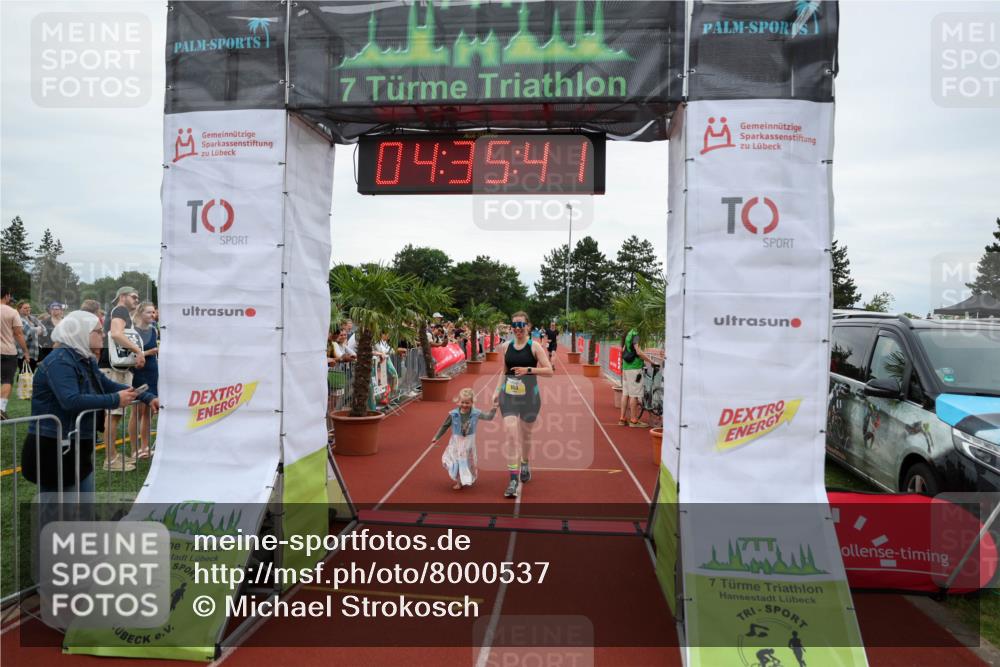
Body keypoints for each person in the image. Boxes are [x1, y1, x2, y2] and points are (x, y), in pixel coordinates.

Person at [20, 311, 159, 498]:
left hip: (76, 445)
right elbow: (71, 400)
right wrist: (115, 400)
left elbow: (106, 384)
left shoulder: (84, 358)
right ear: (82, 333)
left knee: (82, 509)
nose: (103, 335)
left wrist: (147, 397)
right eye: (98, 331)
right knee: (58, 514)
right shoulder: (59, 361)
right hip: (54, 448)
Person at [493, 311, 554, 498]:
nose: (517, 329)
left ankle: (525, 462)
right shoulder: (506, 346)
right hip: (509, 397)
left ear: (528, 326)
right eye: (514, 325)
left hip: (530, 398)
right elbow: (504, 370)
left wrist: (528, 370)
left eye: (521, 325)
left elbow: (549, 371)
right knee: (511, 434)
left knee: (526, 435)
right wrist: (497, 390)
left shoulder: (535, 346)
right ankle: (513, 478)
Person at [98, 286, 145, 470]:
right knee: (113, 414)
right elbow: (117, 334)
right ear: (123, 296)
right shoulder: (120, 310)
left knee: (114, 414)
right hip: (113, 368)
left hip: (115, 367)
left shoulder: (118, 311)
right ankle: (110, 460)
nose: (137, 300)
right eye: (134, 296)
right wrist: (137, 351)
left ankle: (113, 456)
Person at [432, 388, 497, 489]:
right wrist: (436, 437)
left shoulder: (476, 413)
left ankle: (465, 478)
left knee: (466, 461)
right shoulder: (453, 414)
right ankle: (459, 481)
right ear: (458, 401)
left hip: (468, 442)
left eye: (467, 403)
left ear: (472, 402)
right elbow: (445, 426)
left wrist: (494, 408)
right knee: (455, 460)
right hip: (456, 442)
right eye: (462, 402)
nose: (465, 405)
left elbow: (489, 417)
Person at [128, 302, 159, 460]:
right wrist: (149, 352)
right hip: (138, 373)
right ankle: (135, 449)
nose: (152, 315)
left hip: (153, 371)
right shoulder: (133, 331)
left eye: (153, 313)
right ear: (140, 313)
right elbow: (130, 355)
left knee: (148, 412)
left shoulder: (154, 330)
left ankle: (145, 447)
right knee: (136, 411)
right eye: (149, 312)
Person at [1, 289, 30, 419]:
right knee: (7, 380)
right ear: (6, 296)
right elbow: (18, 334)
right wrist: (25, 351)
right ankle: (1, 409)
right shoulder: (12, 312)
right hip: (7, 351)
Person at [619, 327, 655, 427]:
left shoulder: (629, 333)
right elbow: (638, 351)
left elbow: (623, 349)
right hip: (634, 368)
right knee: (634, 395)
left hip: (626, 368)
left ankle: (622, 419)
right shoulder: (636, 334)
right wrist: (651, 361)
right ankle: (634, 420)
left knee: (625, 393)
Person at [16, 301, 44, 371]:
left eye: (29, 307)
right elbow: (30, 332)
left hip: (34, 350)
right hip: (23, 351)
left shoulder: (32, 318)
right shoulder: (18, 319)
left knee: (31, 372)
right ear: (19, 309)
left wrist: (37, 330)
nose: (28, 309)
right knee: (24, 373)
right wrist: (38, 329)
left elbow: (44, 330)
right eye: (25, 308)